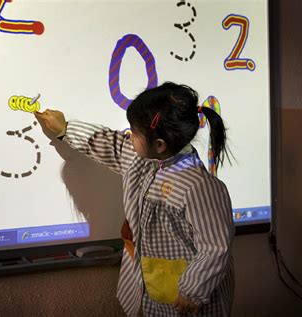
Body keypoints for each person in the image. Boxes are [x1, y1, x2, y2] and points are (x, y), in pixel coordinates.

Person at [34, 82, 235, 316]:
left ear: (159, 145)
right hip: (152, 292)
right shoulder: (142, 160)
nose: (128, 137)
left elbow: (215, 247)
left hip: (188, 301)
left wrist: (192, 291)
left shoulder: (200, 187)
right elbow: (110, 144)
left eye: (134, 133)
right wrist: (65, 129)